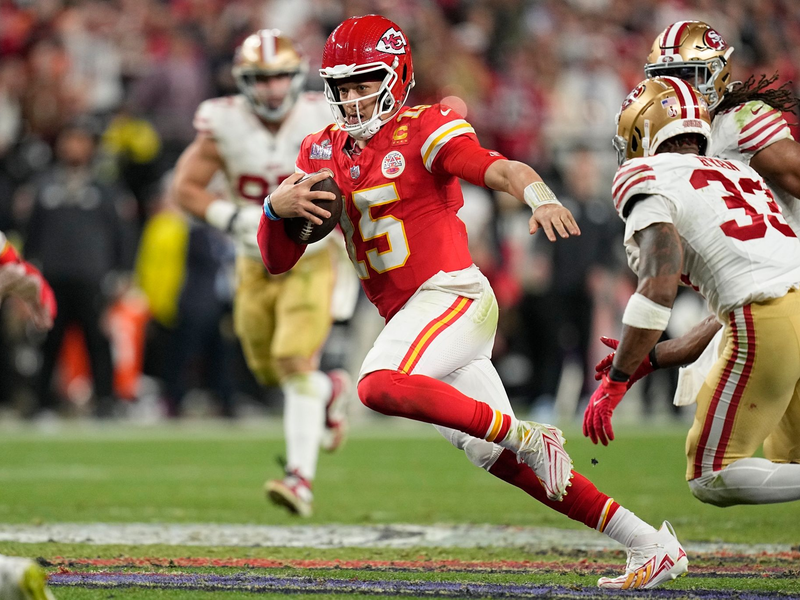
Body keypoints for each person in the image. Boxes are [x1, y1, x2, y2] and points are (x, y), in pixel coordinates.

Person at [258, 15, 688, 590]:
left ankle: (529, 433)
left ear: (397, 75)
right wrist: (273, 212)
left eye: (365, 82)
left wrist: (538, 195)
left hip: (453, 297)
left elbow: (500, 168)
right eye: (345, 85)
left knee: (377, 384)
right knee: (504, 462)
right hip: (414, 319)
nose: (354, 98)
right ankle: (650, 545)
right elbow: (277, 260)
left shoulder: (423, 127)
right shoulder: (319, 151)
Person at [585, 76, 800, 508]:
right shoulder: (739, 170)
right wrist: (653, 356)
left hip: (769, 320)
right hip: (780, 307)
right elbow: (753, 296)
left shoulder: (644, 173)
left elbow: (658, 286)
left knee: (710, 473)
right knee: (790, 456)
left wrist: (617, 379)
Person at [171, 29, 354, 518]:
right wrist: (232, 219)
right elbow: (185, 188)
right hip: (252, 262)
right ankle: (332, 389)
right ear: (243, 80)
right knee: (268, 369)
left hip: (311, 261)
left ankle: (300, 478)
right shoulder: (224, 122)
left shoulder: (326, 115)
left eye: (280, 77)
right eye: (262, 79)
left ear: (296, 78)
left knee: (294, 359)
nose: (273, 89)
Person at [635, 20, 800, 406]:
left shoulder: (737, 124)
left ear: (716, 74)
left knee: (714, 450)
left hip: (784, 291)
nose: (675, 87)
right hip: (764, 296)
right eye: (665, 77)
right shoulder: (676, 140)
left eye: (685, 75)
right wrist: (661, 354)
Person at [26, 124, 129, 418]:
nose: (74, 148)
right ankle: (42, 403)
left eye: (80, 142)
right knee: (49, 342)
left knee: (97, 341)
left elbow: (122, 233)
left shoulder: (105, 189)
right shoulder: (44, 187)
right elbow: (32, 234)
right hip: (53, 276)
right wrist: (27, 276)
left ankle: (106, 401)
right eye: (69, 141)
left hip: (92, 277)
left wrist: (122, 272)